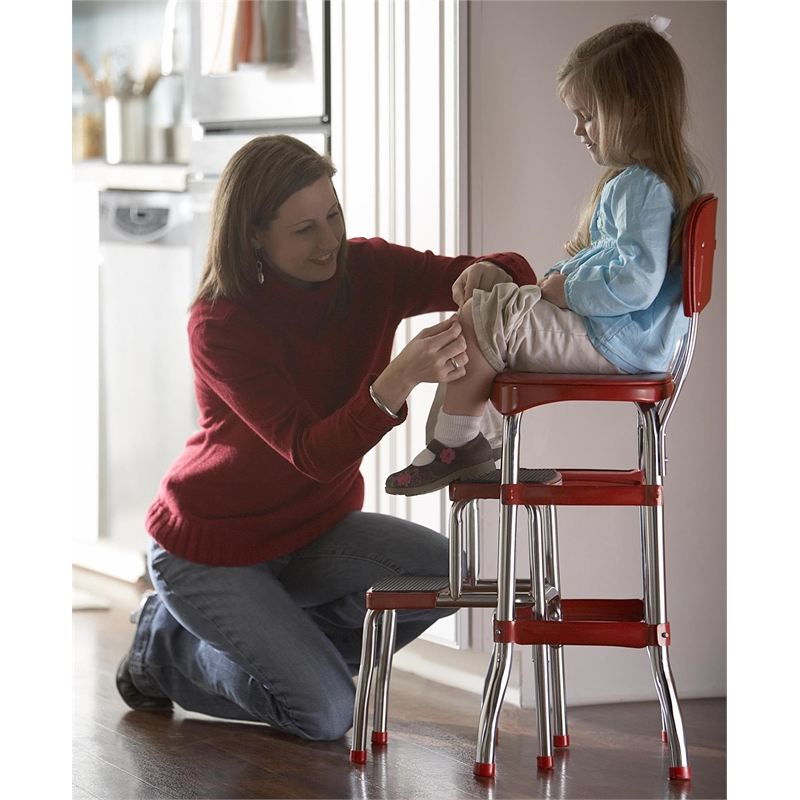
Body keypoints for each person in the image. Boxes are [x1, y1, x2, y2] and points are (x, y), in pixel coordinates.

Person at [115, 133, 537, 740]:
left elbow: (501, 273)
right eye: (304, 229)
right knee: (326, 714)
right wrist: (398, 381)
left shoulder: (370, 271)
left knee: (448, 578)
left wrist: (488, 273)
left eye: (333, 215)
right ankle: (164, 651)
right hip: (211, 547)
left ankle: (292, 653)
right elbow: (312, 454)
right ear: (254, 236)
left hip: (313, 529)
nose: (329, 241)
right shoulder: (220, 322)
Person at [386, 17, 704, 496]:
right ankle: (467, 444)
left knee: (480, 317)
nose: (578, 129)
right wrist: (552, 286)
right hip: (627, 340)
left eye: (588, 115)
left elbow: (636, 282)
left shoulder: (643, 187)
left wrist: (564, 289)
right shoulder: (652, 182)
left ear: (635, 108)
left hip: (615, 341)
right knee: (492, 312)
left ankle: (455, 445)